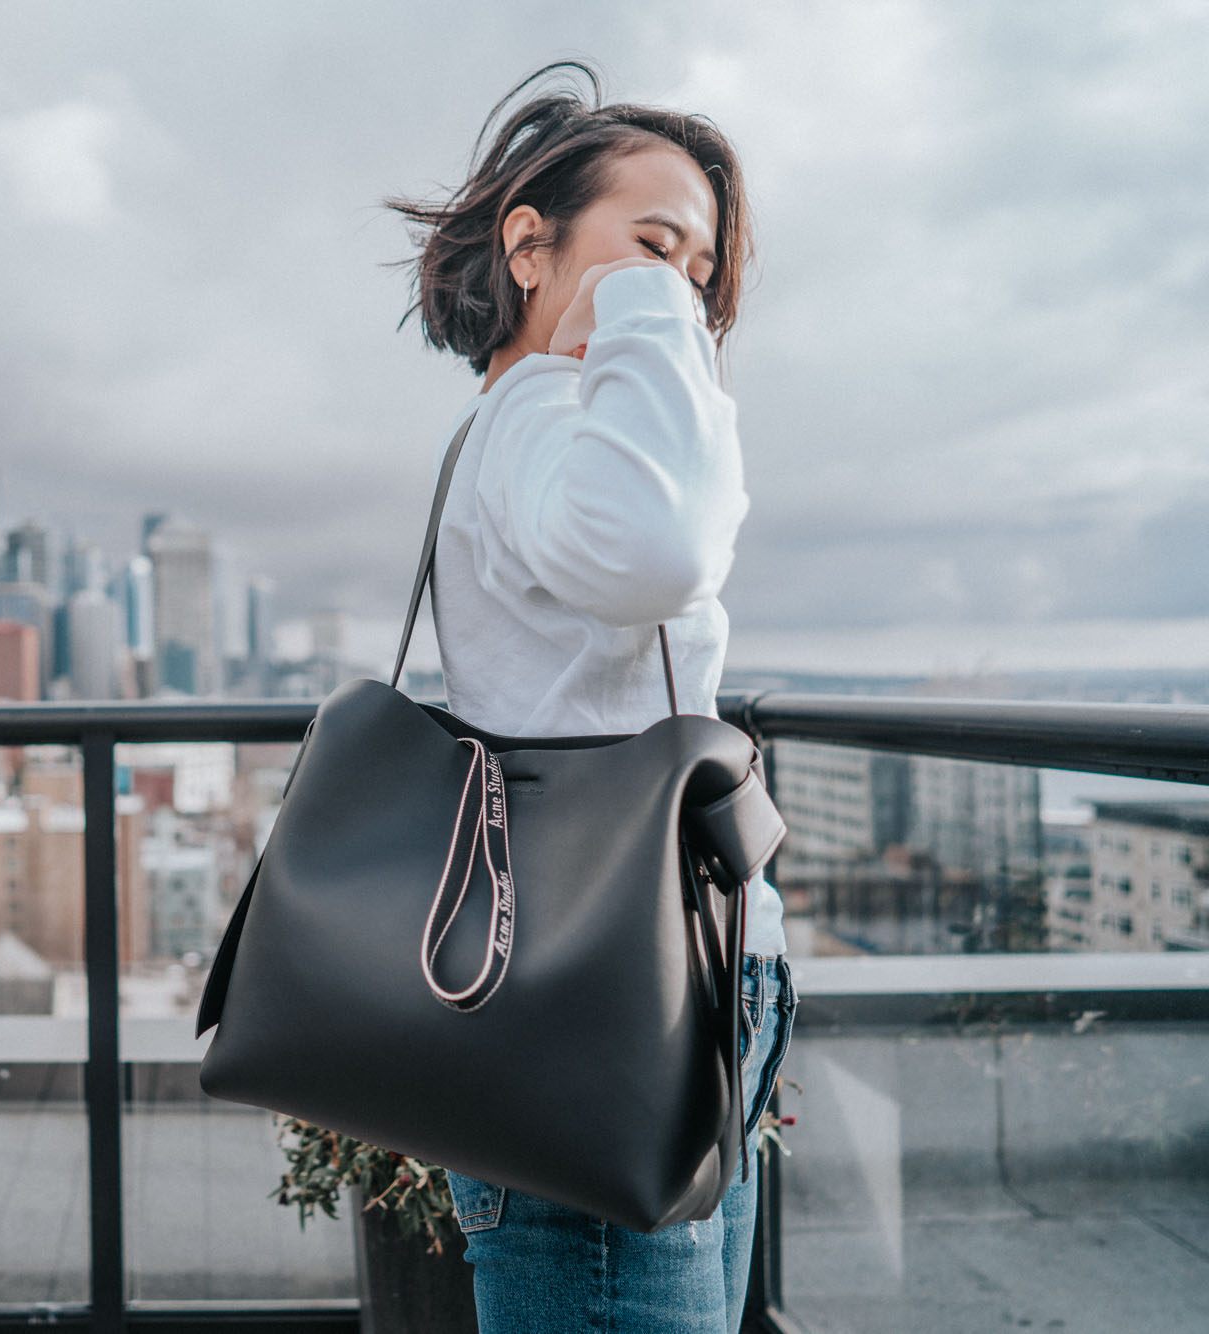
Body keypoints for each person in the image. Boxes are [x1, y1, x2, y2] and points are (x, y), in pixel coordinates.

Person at [388, 63, 799, 1334]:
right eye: (648, 247)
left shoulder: (577, 422)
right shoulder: (535, 421)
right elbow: (662, 551)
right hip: (600, 1003)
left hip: (664, 981)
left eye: (695, 271)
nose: (676, 290)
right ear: (528, 245)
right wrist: (646, 316)